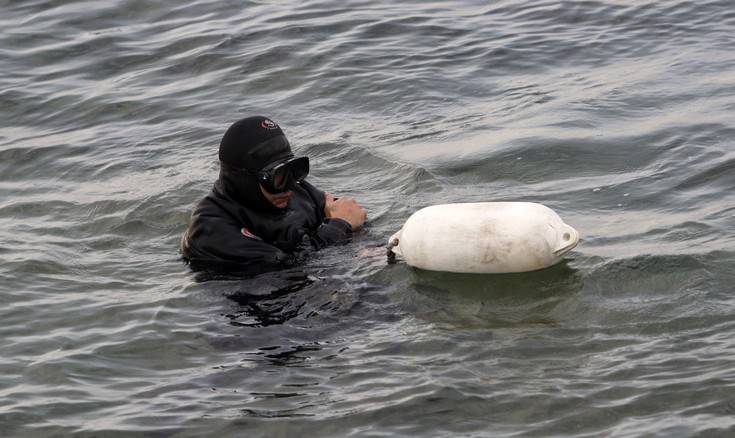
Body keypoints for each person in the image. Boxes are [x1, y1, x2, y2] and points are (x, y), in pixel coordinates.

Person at [181, 116, 366, 275]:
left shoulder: (297, 191)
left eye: (291, 171)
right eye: (277, 177)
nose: (288, 188)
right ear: (245, 181)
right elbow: (286, 266)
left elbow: (350, 218)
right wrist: (339, 226)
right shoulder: (210, 228)